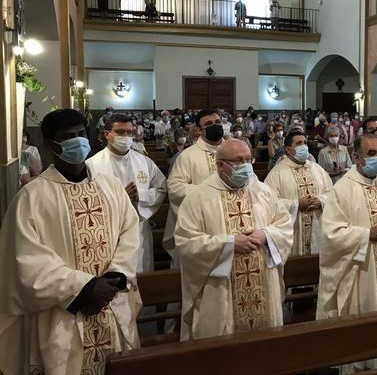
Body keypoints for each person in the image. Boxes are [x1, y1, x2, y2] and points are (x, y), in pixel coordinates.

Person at [0, 109, 140, 374]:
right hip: (62, 314)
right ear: (50, 145)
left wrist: (115, 277)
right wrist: (85, 288)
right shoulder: (32, 197)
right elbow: (27, 260)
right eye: (67, 137)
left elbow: (130, 234)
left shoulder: (110, 187)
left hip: (111, 303)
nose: (77, 141)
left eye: (80, 134)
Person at [175, 139, 293, 340]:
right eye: (238, 161)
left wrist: (266, 234)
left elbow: (285, 225)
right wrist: (229, 244)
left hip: (263, 283)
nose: (246, 166)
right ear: (219, 164)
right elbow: (187, 242)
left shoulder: (263, 192)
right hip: (219, 290)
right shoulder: (198, 198)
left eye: (249, 160)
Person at [316, 134, 377, 371]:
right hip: (361, 274)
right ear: (357, 157)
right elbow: (331, 234)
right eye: (371, 154)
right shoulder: (343, 189)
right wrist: (367, 234)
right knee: (363, 343)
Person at [87, 114, 167, 272]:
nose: (126, 137)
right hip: (108, 231)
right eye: (120, 132)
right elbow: (87, 201)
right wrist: (121, 197)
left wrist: (141, 195)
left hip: (139, 229)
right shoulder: (92, 165)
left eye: (129, 132)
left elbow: (162, 187)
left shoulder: (144, 161)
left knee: (141, 275)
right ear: (107, 134)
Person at [166, 109, 225, 265]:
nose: (215, 126)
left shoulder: (234, 151)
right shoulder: (188, 155)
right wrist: (207, 191)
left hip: (230, 221)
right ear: (199, 130)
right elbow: (174, 188)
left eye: (218, 122)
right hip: (201, 224)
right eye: (209, 124)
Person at [264, 131, 332, 255]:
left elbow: (332, 194)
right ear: (288, 150)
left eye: (305, 142)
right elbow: (269, 203)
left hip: (318, 228)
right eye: (299, 143)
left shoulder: (318, 169)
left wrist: (320, 201)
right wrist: (296, 204)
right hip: (292, 231)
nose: (304, 146)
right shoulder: (276, 173)